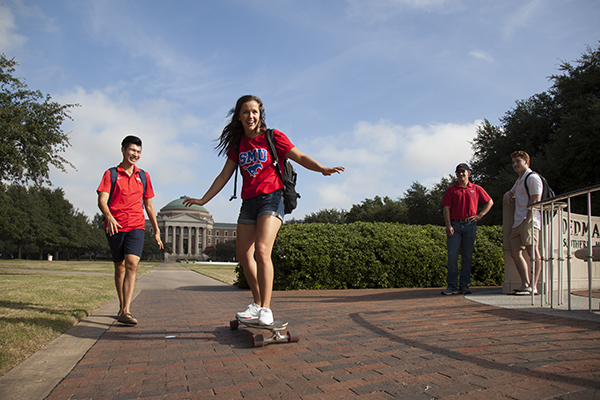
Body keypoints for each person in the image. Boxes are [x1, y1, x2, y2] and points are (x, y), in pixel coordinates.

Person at [184, 95, 344, 325]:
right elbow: (223, 176)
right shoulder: (237, 144)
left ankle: (266, 309)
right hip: (249, 201)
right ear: (238, 116)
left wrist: (322, 169)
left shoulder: (273, 136)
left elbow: (299, 156)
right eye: (246, 112)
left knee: (261, 250)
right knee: (243, 255)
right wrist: (203, 200)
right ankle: (257, 304)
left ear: (260, 115)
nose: (251, 116)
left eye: (255, 112)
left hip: (272, 197)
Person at [97, 135, 163, 325]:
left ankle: (126, 310)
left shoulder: (143, 176)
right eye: (132, 150)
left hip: (136, 225)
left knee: (132, 264)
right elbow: (102, 199)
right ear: (123, 150)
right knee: (119, 267)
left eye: (138, 152)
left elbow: (149, 205)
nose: (135, 154)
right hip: (115, 225)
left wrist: (157, 230)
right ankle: (121, 306)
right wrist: (109, 216)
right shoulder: (111, 174)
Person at [441, 163, 493, 295]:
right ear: (456, 174)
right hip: (455, 225)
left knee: (467, 256)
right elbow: (446, 208)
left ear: (468, 173)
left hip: (470, 225)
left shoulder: (476, 188)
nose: (461, 174)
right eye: (458, 172)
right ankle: (452, 286)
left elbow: (489, 202)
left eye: (463, 172)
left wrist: (480, 215)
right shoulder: (451, 190)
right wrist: (448, 225)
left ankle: (464, 286)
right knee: (452, 256)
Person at [503, 151, 542, 295]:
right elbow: (512, 193)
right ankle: (525, 284)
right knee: (515, 252)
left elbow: (536, 199)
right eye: (513, 162)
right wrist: (507, 193)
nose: (515, 165)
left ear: (526, 162)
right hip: (517, 223)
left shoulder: (532, 177)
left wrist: (528, 219)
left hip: (529, 221)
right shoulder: (520, 180)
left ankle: (534, 286)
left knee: (533, 252)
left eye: (518, 161)